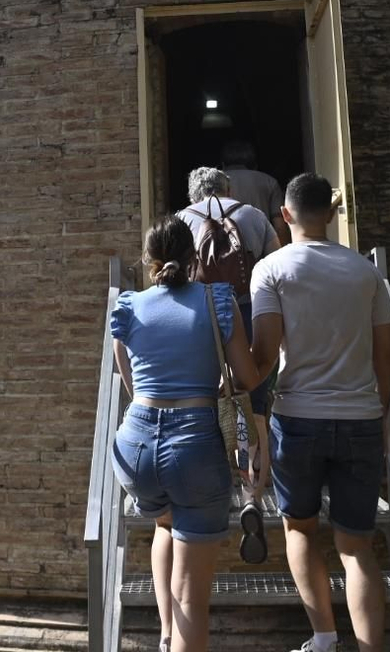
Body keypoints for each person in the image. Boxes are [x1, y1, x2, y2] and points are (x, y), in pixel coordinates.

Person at [249, 173, 390, 652]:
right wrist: (380, 414)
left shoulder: (270, 269)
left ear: (284, 215)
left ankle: (325, 638)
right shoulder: (367, 274)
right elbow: (385, 357)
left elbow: (264, 356)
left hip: (297, 417)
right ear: (332, 214)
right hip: (360, 417)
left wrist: (241, 404)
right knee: (357, 546)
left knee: (300, 529)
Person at [111, 217, 264, 652]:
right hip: (194, 446)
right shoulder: (218, 301)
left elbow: (131, 384)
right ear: (194, 257)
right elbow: (247, 378)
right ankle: (176, 637)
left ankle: (165, 635)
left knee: (164, 523)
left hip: (135, 446)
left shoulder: (128, 305)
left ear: (149, 260)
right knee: (193, 600)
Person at [177, 166, 279, 557]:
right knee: (254, 404)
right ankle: (252, 493)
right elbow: (274, 266)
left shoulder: (182, 219)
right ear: (228, 188)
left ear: (193, 194)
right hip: (248, 311)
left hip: (199, 316)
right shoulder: (252, 215)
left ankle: (213, 486)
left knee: (207, 401)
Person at [222, 140, 290, 246]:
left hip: (225, 249)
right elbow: (279, 226)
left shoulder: (215, 182)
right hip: (262, 248)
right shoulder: (269, 182)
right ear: (255, 165)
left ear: (223, 164)